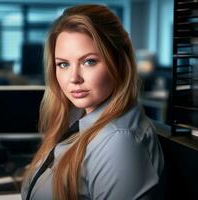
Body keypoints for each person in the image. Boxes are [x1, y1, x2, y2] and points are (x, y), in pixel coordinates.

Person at [21, 4, 164, 200]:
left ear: (120, 63)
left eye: (89, 61)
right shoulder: (79, 119)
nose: (74, 78)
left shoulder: (118, 142)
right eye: (63, 64)